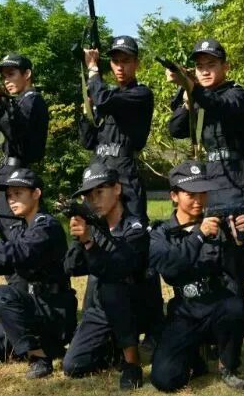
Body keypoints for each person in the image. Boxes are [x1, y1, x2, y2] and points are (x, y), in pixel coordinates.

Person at [0, 168, 76, 378]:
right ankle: (41, 346)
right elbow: (0, 266)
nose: (11, 200)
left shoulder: (46, 226)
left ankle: (39, 358)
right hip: (31, 312)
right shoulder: (23, 228)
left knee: (0, 295)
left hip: (53, 312)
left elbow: (17, 253)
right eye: (9, 195)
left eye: (18, 193)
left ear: (36, 194)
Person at [80, 35, 163, 348]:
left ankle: (153, 326)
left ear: (136, 63)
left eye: (126, 61)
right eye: (114, 61)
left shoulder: (139, 94)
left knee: (138, 252)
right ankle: (97, 321)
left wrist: (92, 71)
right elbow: (88, 140)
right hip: (99, 179)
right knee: (98, 245)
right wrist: (85, 111)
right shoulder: (106, 96)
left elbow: (104, 100)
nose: (119, 67)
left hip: (125, 181)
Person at [149, 160, 244, 391]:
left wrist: (239, 242)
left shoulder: (219, 227)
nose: (198, 200)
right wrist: (198, 235)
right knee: (164, 379)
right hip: (184, 311)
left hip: (216, 304)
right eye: (191, 194)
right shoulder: (161, 233)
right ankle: (194, 360)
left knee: (235, 309)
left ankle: (228, 365)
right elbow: (170, 267)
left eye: (203, 193)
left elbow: (243, 271)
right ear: (174, 196)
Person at [166, 38, 244, 312]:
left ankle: (235, 318)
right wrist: (186, 98)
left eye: (211, 64)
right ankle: (210, 311)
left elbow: (220, 106)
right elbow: (176, 129)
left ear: (225, 67)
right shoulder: (199, 97)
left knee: (231, 244)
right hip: (208, 175)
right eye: (199, 66)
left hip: (233, 174)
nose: (205, 71)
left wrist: (192, 87)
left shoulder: (236, 94)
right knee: (206, 241)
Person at [62, 163, 149, 390]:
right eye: (89, 196)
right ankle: (113, 348)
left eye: (99, 192)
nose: (94, 200)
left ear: (117, 189)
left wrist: (90, 243)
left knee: (112, 286)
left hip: (134, 303)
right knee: (73, 365)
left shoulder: (135, 226)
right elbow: (71, 267)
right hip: (102, 308)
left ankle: (132, 363)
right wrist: (79, 238)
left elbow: (120, 268)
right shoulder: (94, 226)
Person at [0, 53, 49, 236]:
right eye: (3, 76)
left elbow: (17, 133)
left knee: (13, 228)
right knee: (5, 225)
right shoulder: (14, 103)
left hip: (18, 172)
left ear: (27, 74)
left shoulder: (32, 99)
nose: (6, 81)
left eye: (11, 74)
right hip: (7, 171)